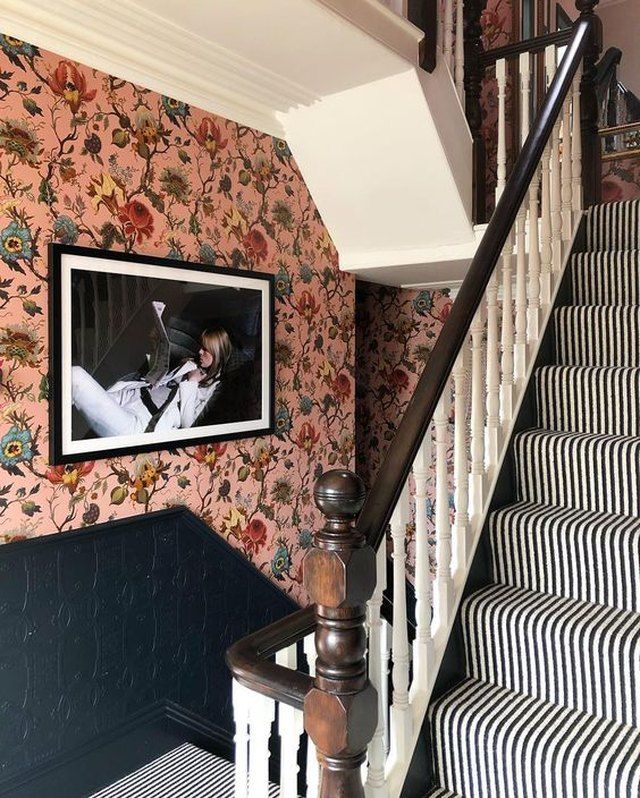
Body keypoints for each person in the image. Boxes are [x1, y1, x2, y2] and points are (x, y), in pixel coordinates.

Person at [71, 327, 232, 438]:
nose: (199, 352)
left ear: (217, 354)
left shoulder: (212, 388)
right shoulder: (191, 364)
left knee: (76, 376)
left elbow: (189, 424)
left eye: (205, 350)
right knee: (70, 398)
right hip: (129, 396)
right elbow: (163, 378)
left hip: (141, 422)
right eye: (201, 347)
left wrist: (192, 382)